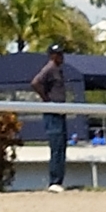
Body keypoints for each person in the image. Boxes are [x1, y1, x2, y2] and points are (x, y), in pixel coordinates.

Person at [31, 44, 70, 191]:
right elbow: (35, 82)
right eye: (58, 54)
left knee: (61, 146)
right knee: (56, 146)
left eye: (61, 53)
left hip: (59, 112)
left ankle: (59, 180)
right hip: (53, 113)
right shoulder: (50, 68)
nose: (61, 57)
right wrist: (47, 100)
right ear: (52, 55)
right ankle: (54, 181)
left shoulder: (58, 70)